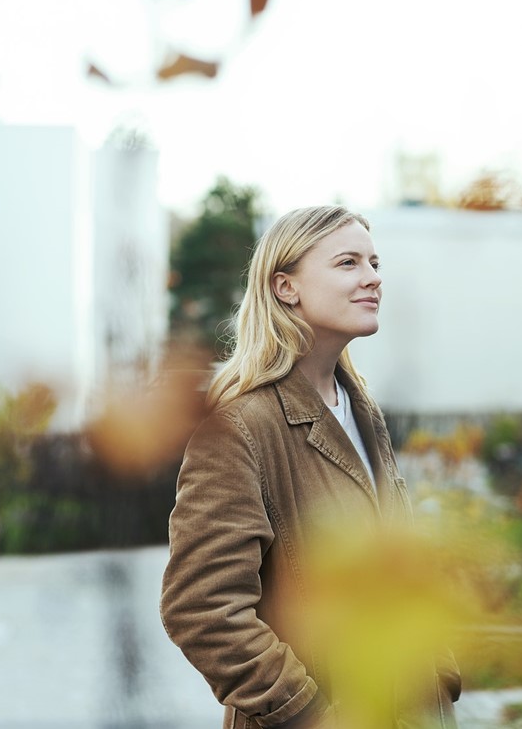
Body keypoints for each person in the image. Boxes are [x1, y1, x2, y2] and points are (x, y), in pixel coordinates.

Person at [160, 206, 461, 729]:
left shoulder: (362, 411)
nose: (373, 278)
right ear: (286, 287)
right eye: (348, 263)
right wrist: (309, 715)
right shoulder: (239, 429)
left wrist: (438, 671)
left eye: (374, 263)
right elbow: (203, 608)